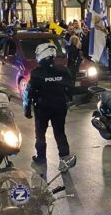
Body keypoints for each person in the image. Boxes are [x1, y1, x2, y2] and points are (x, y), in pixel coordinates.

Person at [24, 43, 77, 172]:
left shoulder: (36, 73)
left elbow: (29, 92)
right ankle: (64, 159)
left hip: (42, 108)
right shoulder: (63, 70)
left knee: (40, 134)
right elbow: (70, 87)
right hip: (60, 106)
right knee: (60, 133)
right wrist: (68, 99)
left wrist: (27, 108)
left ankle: (41, 158)